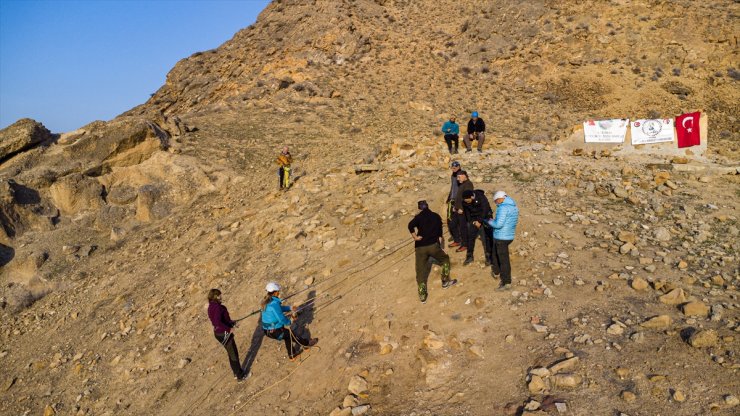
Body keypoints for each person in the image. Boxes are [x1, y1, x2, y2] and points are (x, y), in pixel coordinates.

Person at [408, 200, 457, 303]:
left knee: (420, 271)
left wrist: (415, 237)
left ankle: (422, 296)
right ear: (428, 206)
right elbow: (440, 235)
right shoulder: (436, 216)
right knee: (445, 259)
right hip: (433, 246)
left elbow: (410, 226)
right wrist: (439, 246)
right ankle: (445, 281)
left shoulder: (418, 217)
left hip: (420, 247)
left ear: (419, 208)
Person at [261, 282, 317, 360]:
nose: (279, 292)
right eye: (278, 291)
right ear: (276, 292)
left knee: (287, 336)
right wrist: (289, 321)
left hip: (267, 330)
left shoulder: (266, 302)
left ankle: (292, 355)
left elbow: (278, 310)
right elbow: (281, 318)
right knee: (291, 334)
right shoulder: (274, 304)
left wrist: (290, 308)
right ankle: (306, 344)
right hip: (275, 330)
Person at [207, 289, 246, 381]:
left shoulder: (211, 306)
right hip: (224, 333)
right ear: (216, 296)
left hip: (219, 333)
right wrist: (229, 329)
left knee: (231, 353)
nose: (221, 297)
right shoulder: (217, 307)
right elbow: (217, 322)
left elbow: (223, 320)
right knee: (233, 354)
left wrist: (232, 323)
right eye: (220, 295)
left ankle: (236, 373)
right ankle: (240, 376)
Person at [486, 191, 519, 291]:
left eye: (496, 201)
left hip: (502, 237)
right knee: (495, 253)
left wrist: (489, 221)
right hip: (509, 235)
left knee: (504, 260)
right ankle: (496, 272)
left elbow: (498, 225)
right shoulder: (514, 206)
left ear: (500, 198)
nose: (496, 203)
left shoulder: (503, 208)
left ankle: (506, 282)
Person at [461, 189, 493, 266]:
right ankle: (469, 256)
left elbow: (485, 210)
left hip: (485, 217)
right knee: (470, 237)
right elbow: (467, 214)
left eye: (468, 200)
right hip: (474, 219)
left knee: (487, 238)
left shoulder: (481, 197)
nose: (466, 202)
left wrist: (479, 221)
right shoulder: (465, 202)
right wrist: (472, 222)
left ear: (472, 197)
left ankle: (489, 257)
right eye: (465, 201)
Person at [453, 170, 474, 253]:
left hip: (463, 210)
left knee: (463, 228)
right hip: (458, 209)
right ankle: (458, 241)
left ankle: (465, 245)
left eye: (459, 177)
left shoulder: (468, 184)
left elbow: (467, 198)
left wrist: (461, 208)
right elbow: (459, 197)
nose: (458, 179)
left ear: (464, 176)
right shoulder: (463, 184)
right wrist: (455, 206)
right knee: (453, 224)